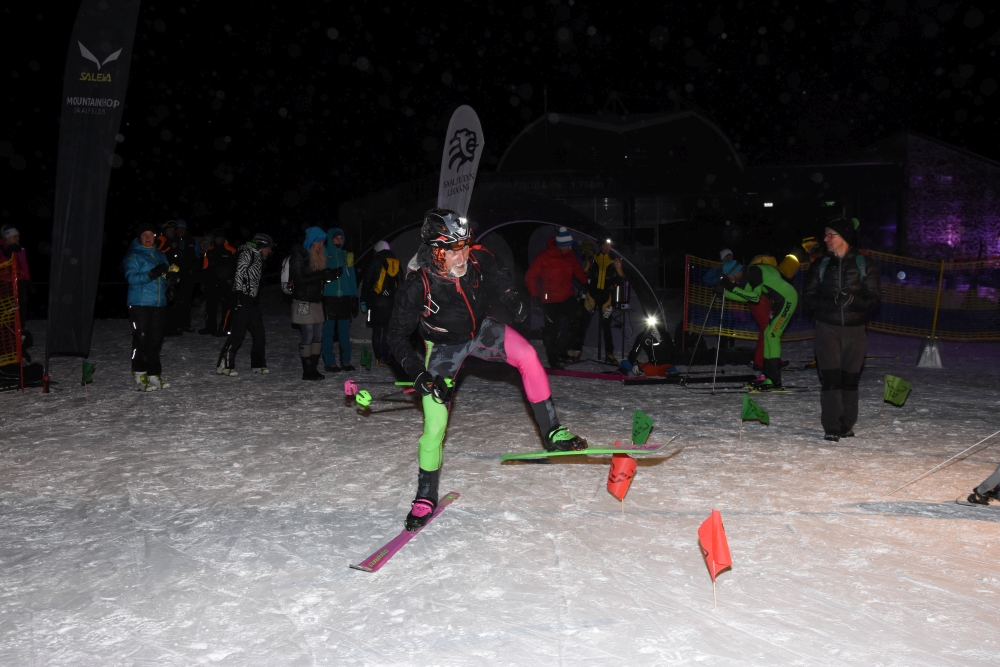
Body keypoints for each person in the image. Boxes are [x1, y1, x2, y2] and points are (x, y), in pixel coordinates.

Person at [388, 209, 588, 531]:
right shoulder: (419, 283)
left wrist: (510, 296)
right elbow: (395, 336)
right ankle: (425, 495)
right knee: (435, 425)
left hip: (481, 332)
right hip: (442, 350)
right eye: (454, 249)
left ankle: (552, 432)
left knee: (528, 356)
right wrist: (420, 375)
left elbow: (497, 273)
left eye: (465, 245)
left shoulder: (476, 258)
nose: (463, 254)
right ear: (437, 250)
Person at [802, 218, 881, 441]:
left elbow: (875, 299)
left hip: (855, 329)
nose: (825, 239)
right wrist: (832, 304)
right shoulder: (820, 264)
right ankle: (832, 426)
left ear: (843, 237)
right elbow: (807, 297)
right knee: (830, 378)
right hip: (827, 327)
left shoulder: (864, 264)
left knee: (850, 378)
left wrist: (853, 300)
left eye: (830, 235)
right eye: (825, 235)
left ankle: (847, 423)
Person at [716, 257, 798, 390]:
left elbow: (755, 297)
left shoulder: (754, 273)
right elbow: (747, 296)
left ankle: (775, 380)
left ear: (734, 273)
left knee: (772, 335)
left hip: (788, 299)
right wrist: (725, 293)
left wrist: (731, 287)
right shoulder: (749, 273)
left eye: (729, 277)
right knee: (767, 334)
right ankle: (766, 375)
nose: (730, 280)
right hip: (779, 301)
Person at [524, 226, 587, 369]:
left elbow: (578, 271)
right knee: (553, 329)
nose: (571, 248)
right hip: (549, 299)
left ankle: (565, 350)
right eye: (568, 246)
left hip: (567, 296)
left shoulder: (569, 256)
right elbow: (530, 276)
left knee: (577, 318)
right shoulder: (545, 256)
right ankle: (553, 358)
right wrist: (534, 296)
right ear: (562, 245)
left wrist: (587, 284)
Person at [123, 222, 173, 391]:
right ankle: (139, 373)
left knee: (156, 340)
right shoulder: (133, 255)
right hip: (139, 303)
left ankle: (153, 374)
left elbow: (165, 275)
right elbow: (132, 278)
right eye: (144, 235)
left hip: (159, 303)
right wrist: (152, 274)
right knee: (141, 338)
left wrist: (171, 280)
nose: (148, 238)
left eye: (151, 235)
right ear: (139, 237)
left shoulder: (160, 255)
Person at [216, 233, 273, 376]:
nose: (270, 251)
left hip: (252, 300)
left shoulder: (257, 256)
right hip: (242, 298)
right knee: (238, 334)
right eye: (268, 248)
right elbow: (239, 272)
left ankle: (258, 364)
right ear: (261, 246)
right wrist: (239, 295)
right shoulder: (247, 252)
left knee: (259, 333)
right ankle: (225, 364)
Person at [290, 226, 338, 380]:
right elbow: (299, 280)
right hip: (303, 301)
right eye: (319, 242)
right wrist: (321, 276)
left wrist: (331, 274)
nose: (321, 245)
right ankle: (307, 371)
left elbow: (320, 277)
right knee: (308, 334)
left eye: (322, 242)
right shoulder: (299, 256)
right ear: (312, 242)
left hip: (316, 301)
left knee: (318, 335)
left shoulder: (319, 255)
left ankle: (313, 368)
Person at [322, 227, 359, 372]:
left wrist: (354, 296)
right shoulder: (324, 255)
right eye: (336, 238)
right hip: (329, 298)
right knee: (328, 331)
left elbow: (352, 278)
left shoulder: (346, 256)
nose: (339, 240)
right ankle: (329, 361)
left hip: (345, 298)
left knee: (344, 331)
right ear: (331, 239)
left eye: (341, 238)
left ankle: (346, 361)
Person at [583, 239, 625, 364]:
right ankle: (576, 350)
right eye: (605, 245)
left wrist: (614, 284)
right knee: (583, 324)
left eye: (609, 245)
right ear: (600, 245)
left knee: (607, 327)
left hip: (606, 297)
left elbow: (622, 277)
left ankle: (609, 354)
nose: (608, 247)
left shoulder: (614, 260)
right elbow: (585, 273)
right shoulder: (593, 257)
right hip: (592, 295)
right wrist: (588, 264)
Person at [360, 240, 399, 365]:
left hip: (375, 302)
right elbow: (400, 283)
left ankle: (377, 358)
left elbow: (367, 282)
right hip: (390, 303)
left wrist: (363, 301)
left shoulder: (374, 261)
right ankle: (384, 357)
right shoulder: (395, 262)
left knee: (376, 331)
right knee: (387, 331)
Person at [199, 228, 237, 336]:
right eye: (217, 237)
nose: (219, 239)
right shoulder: (209, 250)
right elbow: (205, 267)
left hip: (226, 284)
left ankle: (224, 329)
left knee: (227, 307)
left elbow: (237, 268)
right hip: (212, 283)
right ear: (214, 239)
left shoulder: (231, 250)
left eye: (221, 237)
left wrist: (232, 281)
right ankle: (210, 328)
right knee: (210, 307)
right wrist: (203, 282)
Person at [171, 219, 202, 333]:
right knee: (175, 299)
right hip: (175, 274)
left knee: (187, 300)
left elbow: (197, 257)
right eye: (178, 228)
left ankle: (185, 324)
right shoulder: (171, 240)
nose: (180, 230)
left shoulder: (192, 240)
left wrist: (193, 271)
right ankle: (175, 324)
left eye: (182, 228)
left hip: (189, 274)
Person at [0, 225, 31, 326]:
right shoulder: (2, 248)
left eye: (18, 236)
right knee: (7, 308)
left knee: (20, 307)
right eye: (15, 236)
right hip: (5, 282)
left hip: (19, 280)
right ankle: (8, 329)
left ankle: (20, 329)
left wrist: (26, 277)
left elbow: (23, 264)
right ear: (8, 237)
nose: (17, 239)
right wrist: (8, 253)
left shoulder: (19, 248)